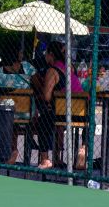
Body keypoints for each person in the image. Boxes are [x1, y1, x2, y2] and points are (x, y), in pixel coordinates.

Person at [0, 44, 37, 164]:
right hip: (25, 112)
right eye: (20, 52)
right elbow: (36, 85)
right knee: (16, 121)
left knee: (8, 120)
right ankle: (16, 150)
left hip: (4, 110)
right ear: (15, 53)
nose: (22, 54)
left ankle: (11, 150)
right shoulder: (27, 67)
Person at [31, 41, 83, 170]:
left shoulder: (52, 70)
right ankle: (84, 149)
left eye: (46, 54)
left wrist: (40, 93)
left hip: (63, 112)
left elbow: (47, 97)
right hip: (81, 112)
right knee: (55, 122)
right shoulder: (70, 68)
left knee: (43, 122)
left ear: (51, 54)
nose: (45, 57)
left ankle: (45, 159)